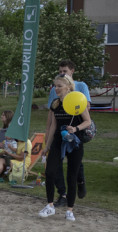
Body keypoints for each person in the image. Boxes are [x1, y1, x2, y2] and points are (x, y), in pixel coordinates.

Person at [39, 74, 92, 221]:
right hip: (58, 140)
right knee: (50, 171)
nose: (56, 88)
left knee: (71, 175)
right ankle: (50, 206)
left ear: (68, 86)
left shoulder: (77, 101)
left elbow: (87, 121)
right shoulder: (55, 104)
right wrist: (47, 145)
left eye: (59, 86)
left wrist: (75, 128)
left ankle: (70, 209)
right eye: (55, 86)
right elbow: (53, 126)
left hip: (74, 140)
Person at [47, 60, 90, 203]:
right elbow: (52, 113)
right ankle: (62, 194)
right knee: (55, 164)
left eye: (64, 71)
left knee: (76, 166)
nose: (62, 73)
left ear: (72, 71)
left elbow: (86, 107)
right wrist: (48, 135)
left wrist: (75, 124)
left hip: (75, 131)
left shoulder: (81, 86)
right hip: (60, 131)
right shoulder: (55, 90)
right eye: (60, 71)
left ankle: (80, 182)